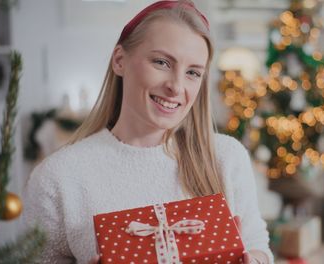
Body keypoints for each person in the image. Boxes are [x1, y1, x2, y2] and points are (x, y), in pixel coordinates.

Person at [23, 1, 273, 263]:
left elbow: (257, 244)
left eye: (192, 72)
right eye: (162, 62)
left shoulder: (226, 157)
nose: (176, 87)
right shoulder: (58, 178)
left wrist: (255, 259)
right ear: (120, 60)